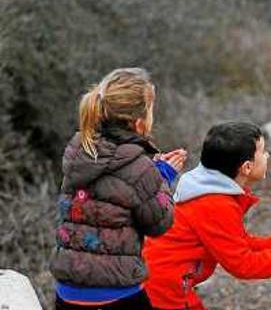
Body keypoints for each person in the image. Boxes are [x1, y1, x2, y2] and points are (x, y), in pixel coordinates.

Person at [143, 122, 271, 310]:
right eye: (262, 152)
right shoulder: (214, 203)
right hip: (164, 291)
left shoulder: (208, 191)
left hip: (160, 283)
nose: (267, 155)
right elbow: (244, 265)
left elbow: (238, 242)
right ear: (246, 167)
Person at [50, 68, 187, 310]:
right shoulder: (139, 167)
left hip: (67, 294)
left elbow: (110, 184)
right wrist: (162, 176)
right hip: (116, 295)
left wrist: (151, 172)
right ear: (139, 122)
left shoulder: (79, 151)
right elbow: (159, 224)